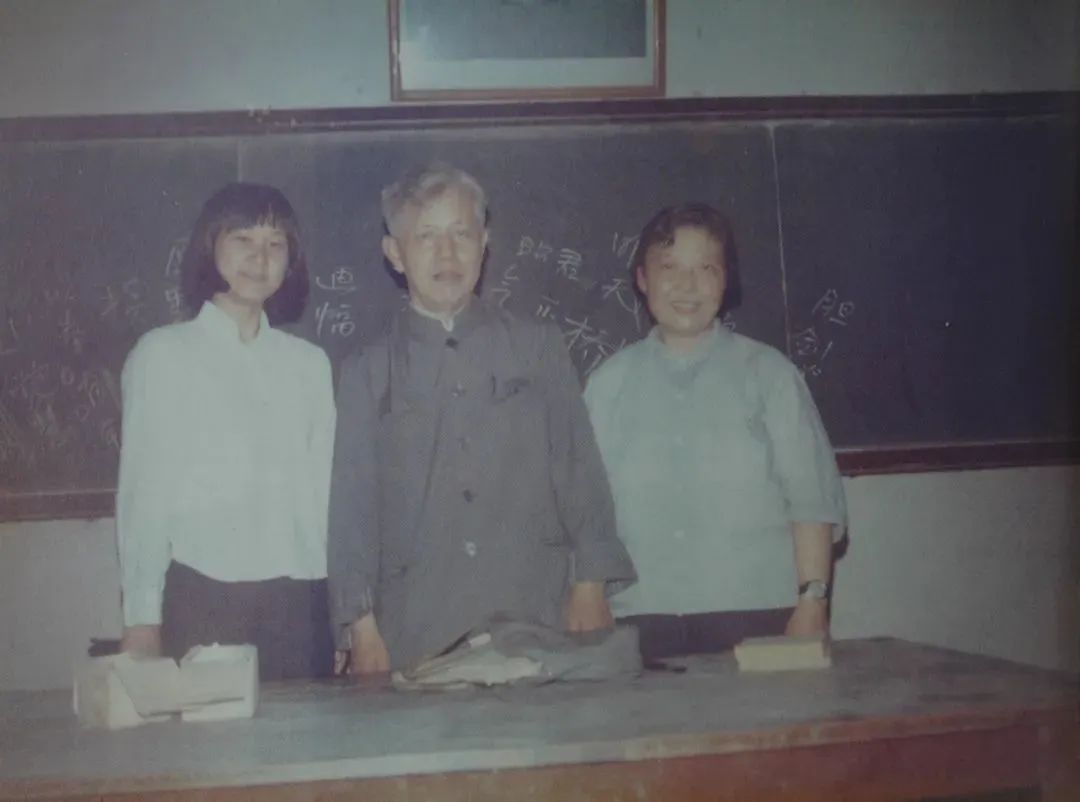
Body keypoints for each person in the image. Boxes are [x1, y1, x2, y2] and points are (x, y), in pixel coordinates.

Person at [328, 163, 636, 673]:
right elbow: (352, 511)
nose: (447, 254)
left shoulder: (537, 347)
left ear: (484, 244)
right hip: (416, 629)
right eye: (426, 236)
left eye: (461, 234)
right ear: (395, 253)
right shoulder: (366, 370)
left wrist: (590, 583)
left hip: (536, 614)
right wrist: (361, 627)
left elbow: (579, 469)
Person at [583, 203, 846, 661]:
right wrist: (587, 593)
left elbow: (812, 499)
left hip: (760, 616)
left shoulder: (770, 375)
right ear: (643, 279)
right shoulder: (608, 383)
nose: (688, 286)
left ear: (725, 282)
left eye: (706, 269)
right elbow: (585, 506)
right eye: (670, 268)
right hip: (640, 619)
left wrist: (813, 601)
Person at [116, 182, 336, 680]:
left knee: (305, 729)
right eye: (243, 239)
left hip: (299, 602)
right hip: (204, 596)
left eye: (276, 244)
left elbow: (321, 497)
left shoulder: (309, 365)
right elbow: (144, 496)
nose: (260, 258)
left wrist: (338, 615)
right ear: (209, 246)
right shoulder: (163, 355)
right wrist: (141, 618)